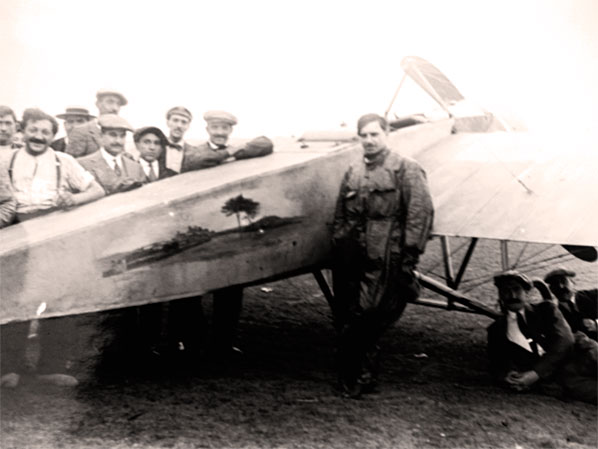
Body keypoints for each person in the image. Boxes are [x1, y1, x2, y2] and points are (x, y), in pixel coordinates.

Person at [331, 113, 434, 398]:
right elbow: (340, 212)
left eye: (374, 134)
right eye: (364, 135)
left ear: (387, 134)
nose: (369, 140)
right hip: (352, 252)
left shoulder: (406, 168)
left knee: (370, 312)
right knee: (347, 311)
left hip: (387, 251)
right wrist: (340, 241)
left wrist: (409, 255)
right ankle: (356, 373)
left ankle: (360, 373)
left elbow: (419, 213)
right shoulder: (353, 170)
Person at [0, 108, 104, 388]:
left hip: (55, 233)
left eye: (45, 132)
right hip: (17, 231)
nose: (39, 136)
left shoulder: (63, 161)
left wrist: (74, 200)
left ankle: (51, 367)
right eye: (34, 130)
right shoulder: (6, 160)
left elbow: (97, 190)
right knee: (15, 299)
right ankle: (8, 368)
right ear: (23, 131)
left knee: (58, 299)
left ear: (52, 136)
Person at [487, 271, 597, 404]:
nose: (512, 296)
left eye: (517, 289)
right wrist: (509, 374)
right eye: (505, 291)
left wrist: (535, 373)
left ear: (527, 293)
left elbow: (565, 340)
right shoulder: (496, 330)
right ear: (500, 294)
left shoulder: (546, 310)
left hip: (585, 356)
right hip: (565, 379)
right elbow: (497, 361)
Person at [78, 114, 147, 195]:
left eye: (122, 136)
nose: (118, 141)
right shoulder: (83, 164)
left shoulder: (136, 167)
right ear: (101, 136)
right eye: (113, 135)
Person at [66, 89, 127, 157]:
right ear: (98, 104)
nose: (115, 108)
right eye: (110, 102)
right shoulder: (80, 131)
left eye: (118, 104)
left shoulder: (120, 134)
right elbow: (71, 161)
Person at [544, 268, 597, 340]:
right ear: (551, 289)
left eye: (563, 281)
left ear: (573, 282)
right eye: (555, 284)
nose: (561, 286)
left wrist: (596, 324)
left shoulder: (594, 296)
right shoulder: (555, 315)